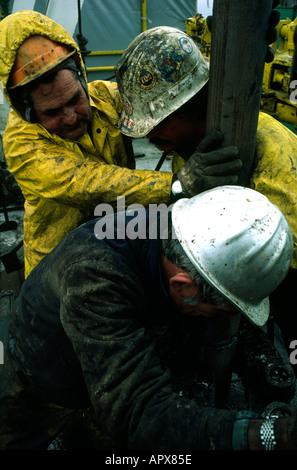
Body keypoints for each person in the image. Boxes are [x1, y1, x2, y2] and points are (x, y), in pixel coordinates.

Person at [0, 185, 296, 451]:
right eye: (220, 312)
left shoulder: (180, 230)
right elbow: (136, 415)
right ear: (184, 287)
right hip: (46, 370)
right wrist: (267, 435)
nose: (221, 318)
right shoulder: (94, 279)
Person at [0, 11, 242, 278]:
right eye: (52, 112)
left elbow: (165, 105)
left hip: (115, 238)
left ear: (82, 78)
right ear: (28, 113)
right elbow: (85, 183)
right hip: (56, 265)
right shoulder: (21, 142)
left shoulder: (106, 97)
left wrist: (233, 73)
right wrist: (178, 185)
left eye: (74, 99)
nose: (70, 117)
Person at [115, 24, 297, 362]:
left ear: (196, 102)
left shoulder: (269, 154)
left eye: (159, 121)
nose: (149, 135)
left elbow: (274, 261)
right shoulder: (192, 149)